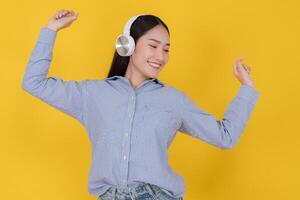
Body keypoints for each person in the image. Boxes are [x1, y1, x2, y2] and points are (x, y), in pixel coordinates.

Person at [22, 9, 260, 200]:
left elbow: (225, 136)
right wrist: (51, 30)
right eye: (153, 46)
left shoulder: (173, 100)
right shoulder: (92, 94)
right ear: (128, 45)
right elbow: (34, 83)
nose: (161, 56)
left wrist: (246, 89)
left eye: (166, 49)